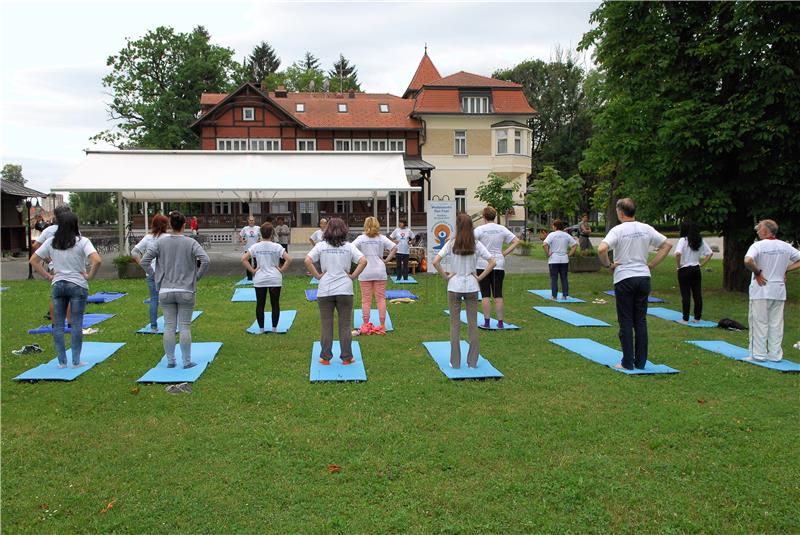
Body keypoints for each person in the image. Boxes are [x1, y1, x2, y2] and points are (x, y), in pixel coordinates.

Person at [598, 198, 672, 370]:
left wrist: (608, 265)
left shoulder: (618, 230)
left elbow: (602, 249)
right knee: (640, 321)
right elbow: (667, 244)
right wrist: (651, 265)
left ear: (620, 213)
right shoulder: (646, 228)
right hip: (643, 278)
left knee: (625, 320)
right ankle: (640, 362)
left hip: (624, 278)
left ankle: (627, 362)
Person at [29, 212, 101, 368]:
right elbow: (97, 260)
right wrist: (89, 276)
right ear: (75, 225)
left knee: (58, 325)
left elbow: (34, 260)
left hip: (58, 284)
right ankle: (76, 361)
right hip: (78, 285)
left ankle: (61, 362)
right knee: (76, 324)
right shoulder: (83, 241)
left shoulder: (51, 241)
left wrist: (48, 276)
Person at [141, 211, 210, 369]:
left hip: (165, 290)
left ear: (170, 225)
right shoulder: (190, 242)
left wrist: (156, 275)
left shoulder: (160, 243)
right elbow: (206, 260)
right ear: (185, 225)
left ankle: (171, 361)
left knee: (169, 326)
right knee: (185, 326)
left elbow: (144, 261)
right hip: (186, 290)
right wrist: (196, 277)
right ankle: (186, 361)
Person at [433, 213, 496, 368]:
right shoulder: (476, 244)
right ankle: (472, 363)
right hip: (472, 286)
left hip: (454, 286)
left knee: (454, 326)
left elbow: (435, 261)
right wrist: (479, 277)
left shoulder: (451, 243)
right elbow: (492, 262)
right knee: (472, 325)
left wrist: (446, 276)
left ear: (457, 226)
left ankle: (455, 363)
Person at [304, 217, 367, 365]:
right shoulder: (349, 246)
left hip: (325, 290)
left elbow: (307, 260)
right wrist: (353, 276)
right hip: (345, 290)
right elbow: (363, 261)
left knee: (326, 325)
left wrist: (318, 276)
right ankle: (347, 358)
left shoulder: (321, 246)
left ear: (327, 230)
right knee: (345, 325)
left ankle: (325, 358)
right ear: (344, 230)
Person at [744, 219, 800, 362]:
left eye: (759, 228)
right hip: (779, 290)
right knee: (776, 323)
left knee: (759, 322)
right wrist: (785, 270)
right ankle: (775, 355)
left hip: (761, 290)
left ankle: (758, 355)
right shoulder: (785, 246)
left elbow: (748, 261)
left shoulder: (758, 246)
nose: (757, 231)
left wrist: (757, 273)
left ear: (765, 231)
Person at [473, 207, 520, 329]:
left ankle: (487, 322)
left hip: (483, 264)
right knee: (498, 294)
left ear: (484, 217)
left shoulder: (480, 229)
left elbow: (471, 241)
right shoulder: (501, 229)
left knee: (485, 294)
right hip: (498, 264)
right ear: (494, 216)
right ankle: (500, 322)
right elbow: (516, 241)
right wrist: (503, 253)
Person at [241, 222, 292, 333]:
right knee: (275, 304)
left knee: (260, 304)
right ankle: (274, 329)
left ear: (260, 233)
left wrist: (253, 271)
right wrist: (282, 270)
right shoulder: (277, 246)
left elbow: (244, 259)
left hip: (260, 279)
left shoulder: (255, 246)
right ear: (272, 233)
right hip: (275, 278)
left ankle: (261, 329)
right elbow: (289, 259)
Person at [352, 216, 397, 335]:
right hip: (379, 271)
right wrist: (386, 260)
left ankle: (365, 323)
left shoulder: (361, 238)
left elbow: (350, 249)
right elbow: (394, 248)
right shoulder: (381, 238)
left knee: (366, 300)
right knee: (380, 299)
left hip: (365, 271)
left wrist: (358, 260)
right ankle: (382, 325)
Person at [32, 205, 73, 324]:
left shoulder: (48, 230)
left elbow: (35, 246)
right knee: (71, 295)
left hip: (54, 266)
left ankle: (55, 324)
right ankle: (70, 322)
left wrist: (46, 259)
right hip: (70, 266)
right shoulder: (72, 230)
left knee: (56, 296)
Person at [131, 214, 170, 333]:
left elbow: (134, 252)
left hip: (151, 273)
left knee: (154, 299)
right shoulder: (168, 237)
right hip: (166, 274)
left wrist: (142, 265)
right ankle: (170, 325)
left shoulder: (148, 238)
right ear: (165, 225)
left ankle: (153, 326)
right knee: (167, 300)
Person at [674, 221, 713, 324]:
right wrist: (701, 264)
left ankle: (685, 319)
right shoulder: (700, 240)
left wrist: (679, 265)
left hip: (684, 269)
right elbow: (710, 253)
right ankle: (697, 318)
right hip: (696, 269)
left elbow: (678, 253)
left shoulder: (683, 240)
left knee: (685, 294)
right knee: (697, 294)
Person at [543, 219, 578, 300]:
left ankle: (554, 296)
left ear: (555, 226)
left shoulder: (552, 235)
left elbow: (544, 244)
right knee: (564, 278)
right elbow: (575, 245)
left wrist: (548, 253)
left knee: (554, 278)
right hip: (564, 259)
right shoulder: (566, 235)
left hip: (554, 259)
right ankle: (565, 295)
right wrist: (570, 254)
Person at [239, 216, 260, 281]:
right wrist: (242, 241)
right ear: (248, 221)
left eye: (252, 220)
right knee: (248, 263)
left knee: (257, 263)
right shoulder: (245, 228)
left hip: (256, 249)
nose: (251, 221)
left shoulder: (258, 228)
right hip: (247, 248)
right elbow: (240, 236)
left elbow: (262, 236)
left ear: (254, 221)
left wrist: (260, 240)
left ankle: (257, 277)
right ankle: (249, 278)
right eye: (250, 220)